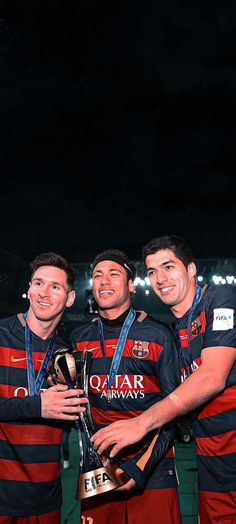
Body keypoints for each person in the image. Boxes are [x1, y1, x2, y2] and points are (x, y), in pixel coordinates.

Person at [92, 236, 236, 524]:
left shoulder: (221, 297)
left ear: (191, 269)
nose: (160, 278)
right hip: (210, 459)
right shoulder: (171, 332)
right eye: (153, 271)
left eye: (168, 266)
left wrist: (141, 423)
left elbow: (212, 377)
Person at [71, 249, 182, 524]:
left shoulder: (158, 334)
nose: (104, 281)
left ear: (131, 285)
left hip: (153, 469)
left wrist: (139, 466)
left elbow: (174, 410)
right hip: (99, 470)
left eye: (113, 274)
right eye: (98, 275)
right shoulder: (78, 340)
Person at [0, 252, 87, 523]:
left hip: (46, 502)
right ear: (28, 289)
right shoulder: (1, 335)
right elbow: (38, 405)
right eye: (38, 283)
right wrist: (38, 404)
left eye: (55, 286)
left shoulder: (65, 354)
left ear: (70, 298)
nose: (44, 293)